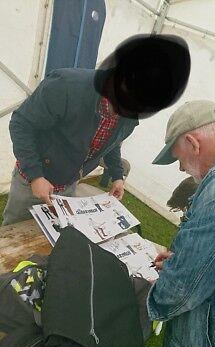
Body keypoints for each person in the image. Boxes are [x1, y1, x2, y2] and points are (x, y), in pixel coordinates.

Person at [2, 33, 191, 225]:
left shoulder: (129, 114)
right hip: (33, 179)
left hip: (68, 184)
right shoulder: (65, 85)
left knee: (47, 237)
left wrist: (118, 176)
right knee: (11, 236)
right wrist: (35, 176)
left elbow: (112, 143)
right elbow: (21, 124)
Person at [123, 100, 215, 347]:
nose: (180, 168)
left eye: (179, 159)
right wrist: (183, 259)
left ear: (193, 143)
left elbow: (181, 288)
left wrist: (143, 306)